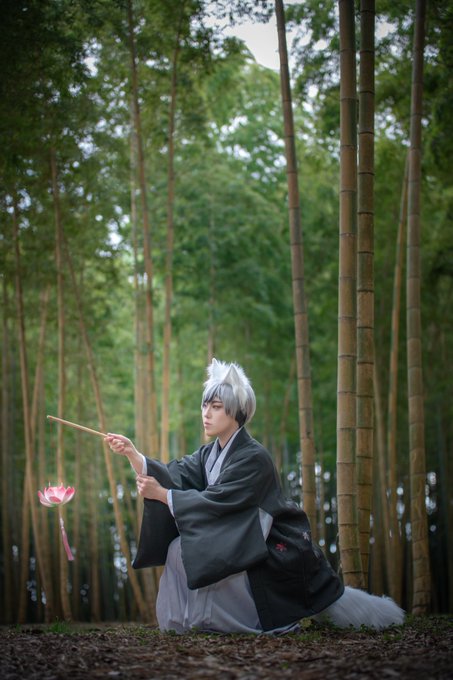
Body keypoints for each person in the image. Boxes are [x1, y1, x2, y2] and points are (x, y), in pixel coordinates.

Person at [105, 358, 404, 633]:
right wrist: (134, 455)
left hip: (263, 547)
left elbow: (220, 501)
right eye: (205, 405)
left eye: (216, 407)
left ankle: (218, 622)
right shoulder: (209, 453)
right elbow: (179, 473)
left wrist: (163, 495)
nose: (206, 414)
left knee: (192, 551)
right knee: (176, 548)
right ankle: (180, 623)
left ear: (237, 411)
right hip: (236, 537)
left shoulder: (254, 457)